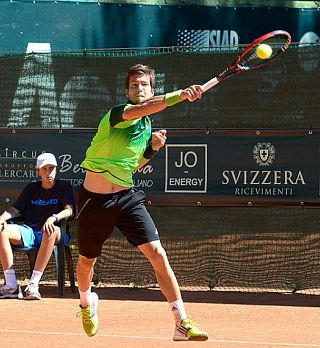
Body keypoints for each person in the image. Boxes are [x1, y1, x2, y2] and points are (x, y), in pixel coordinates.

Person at [76, 64, 208, 341]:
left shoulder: (147, 127)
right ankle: (87, 304)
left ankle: (181, 322)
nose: (139, 89)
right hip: (94, 200)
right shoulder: (117, 114)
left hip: (126, 197)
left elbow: (133, 165)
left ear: (151, 89)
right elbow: (144, 109)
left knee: (158, 254)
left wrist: (152, 148)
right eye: (134, 85)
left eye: (144, 85)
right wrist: (181, 95)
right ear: (127, 91)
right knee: (87, 261)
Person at [0, 152, 76, 300]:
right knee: (2, 231)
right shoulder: (31, 189)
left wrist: (53, 218)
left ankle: (33, 284)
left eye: (51, 168)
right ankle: (11, 286)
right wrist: (1, 218)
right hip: (30, 231)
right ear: (38, 171)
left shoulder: (64, 187)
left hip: (57, 232)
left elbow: (70, 210)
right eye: (44, 169)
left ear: (56, 169)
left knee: (50, 230)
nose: (48, 172)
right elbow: (15, 210)